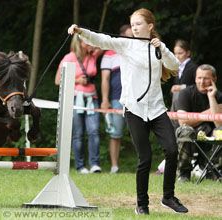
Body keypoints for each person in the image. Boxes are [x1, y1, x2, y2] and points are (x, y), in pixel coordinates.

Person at [68, 8, 188, 215]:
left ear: (150, 26)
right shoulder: (125, 44)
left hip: (157, 109)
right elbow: (101, 40)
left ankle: (168, 197)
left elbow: (175, 66)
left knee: (172, 149)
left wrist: (163, 49)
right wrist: (81, 31)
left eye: (138, 24)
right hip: (134, 109)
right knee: (146, 158)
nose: (134, 27)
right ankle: (142, 204)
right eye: (132, 24)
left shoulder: (158, 47)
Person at [55, 34, 102, 174]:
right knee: (78, 133)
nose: (90, 44)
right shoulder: (69, 57)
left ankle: (95, 164)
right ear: (79, 42)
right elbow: (58, 80)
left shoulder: (92, 55)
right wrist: (77, 80)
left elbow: (104, 44)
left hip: (92, 97)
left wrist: (93, 45)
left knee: (94, 131)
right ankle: (80, 165)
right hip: (75, 98)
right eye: (87, 42)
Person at [175, 64, 222, 182]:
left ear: (214, 79)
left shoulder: (219, 96)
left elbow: (218, 124)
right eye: (199, 78)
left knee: (221, 131)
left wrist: (212, 97)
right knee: (186, 130)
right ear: (195, 78)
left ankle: (215, 172)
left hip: (210, 136)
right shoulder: (186, 93)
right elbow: (183, 122)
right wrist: (210, 111)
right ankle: (184, 174)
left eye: (206, 78)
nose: (201, 82)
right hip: (189, 136)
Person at [100, 24, 132, 174]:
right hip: (116, 99)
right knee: (115, 134)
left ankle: (142, 163)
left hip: (136, 99)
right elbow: (105, 79)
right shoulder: (110, 54)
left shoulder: (138, 51)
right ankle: (114, 166)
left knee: (140, 132)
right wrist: (105, 100)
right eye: (129, 36)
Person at [171, 39, 198, 128]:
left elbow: (199, 85)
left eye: (180, 53)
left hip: (189, 103)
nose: (177, 56)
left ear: (188, 53)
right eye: (175, 53)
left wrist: (182, 87)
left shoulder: (194, 67)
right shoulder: (178, 67)